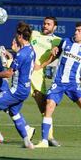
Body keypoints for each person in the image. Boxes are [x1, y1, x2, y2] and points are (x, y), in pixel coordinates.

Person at [0, 21, 36, 149]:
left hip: (17, 90)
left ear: (20, 36)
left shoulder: (22, 54)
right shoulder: (31, 50)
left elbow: (9, 73)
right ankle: (27, 142)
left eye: (17, 34)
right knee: (14, 112)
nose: (15, 36)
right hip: (25, 89)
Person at [30, 16, 62, 147]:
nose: (45, 26)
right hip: (23, 70)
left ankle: (49, 136)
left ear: (54, 27)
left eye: (49, 24)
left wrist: (40, 66)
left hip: (37, 74)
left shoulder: (56, 40)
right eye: (44, 23)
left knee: (43, 107)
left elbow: (53, 56)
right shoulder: (34, 34)